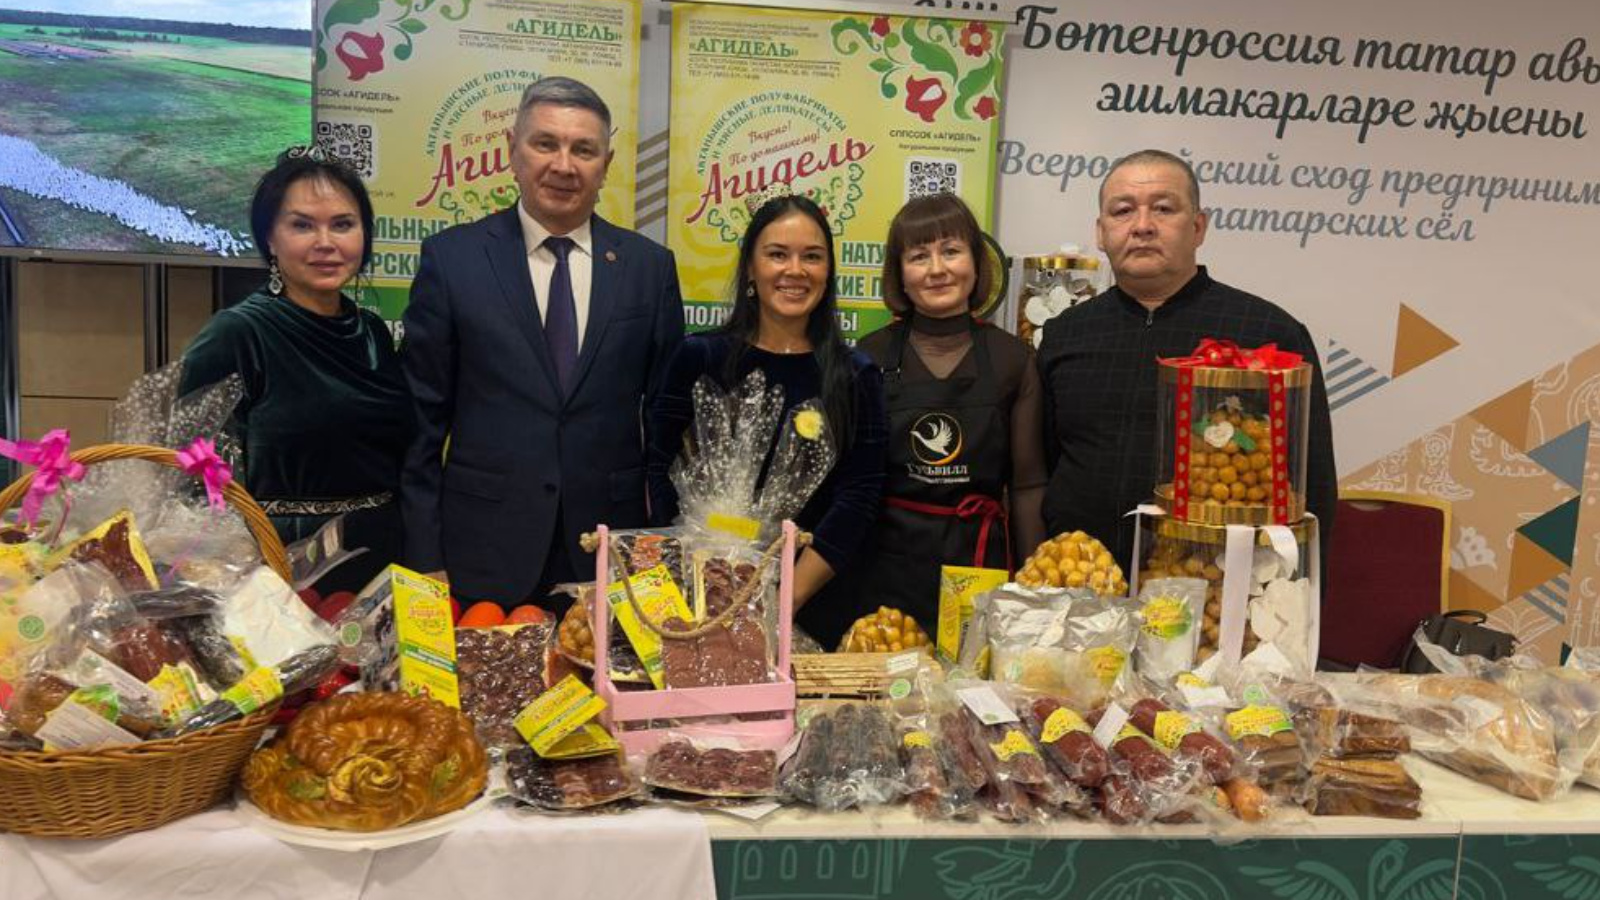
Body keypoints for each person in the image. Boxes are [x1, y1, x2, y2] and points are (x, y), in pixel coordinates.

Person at [401, 77, 684, 612]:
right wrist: (424, 557)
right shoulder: (453, 260)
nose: (563, 165)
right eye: (545, 143)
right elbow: (420, 426)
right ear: (513, 150)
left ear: (606, 163)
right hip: (480, 550)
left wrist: (661, 546)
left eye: (584, 149)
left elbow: (667, 423)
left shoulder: (649, 268)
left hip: (610, 552)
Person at [1037, 149, 1336, 571]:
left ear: (1198, 227)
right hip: (1078, 579)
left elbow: (1312, 487)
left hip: (1215, 586)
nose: (1142, 225)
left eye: (1163, 208)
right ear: (1101, 233)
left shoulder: (1269, 334)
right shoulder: (1066, 333)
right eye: (1123, 211)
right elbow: (1044, 467)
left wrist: (1296, 593)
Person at [646, 194, 888, 648]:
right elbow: (660, 469)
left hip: (812, 601)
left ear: (828, 271)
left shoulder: (855, 374)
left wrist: (779, 600)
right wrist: (700, 582)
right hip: (698, 595)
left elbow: (859, 497)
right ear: (750, 269)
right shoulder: (698, 357)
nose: (795, 270)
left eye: (812, 257)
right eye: (777, 254)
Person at [180, 146, 410, 593]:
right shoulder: (238, 334)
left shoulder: (372, 332)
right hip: (283, 570)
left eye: (342, 224)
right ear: (270, 238)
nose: (326, 242)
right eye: (302, 225)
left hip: (381, 559)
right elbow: (194, 481)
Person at [851, 193, 1046, 627]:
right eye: (919, 256)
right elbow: (853, 486)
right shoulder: (869, 356)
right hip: (885, 566)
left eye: (951, 251)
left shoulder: (1013, 359)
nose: (937, 269)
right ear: (900, 274)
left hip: (979, 563)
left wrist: (1034, 591)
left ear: (976, 263)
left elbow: (1029, 486)